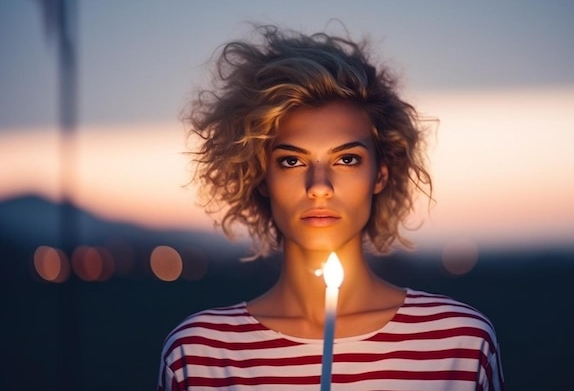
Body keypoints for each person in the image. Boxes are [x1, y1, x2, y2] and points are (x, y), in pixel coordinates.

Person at [157, 25, 505, 391]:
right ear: (262, 177)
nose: (319, 186)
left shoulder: (458, 344)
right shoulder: (201, 355)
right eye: (291, 161)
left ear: (380, 175)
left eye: (347, 159)